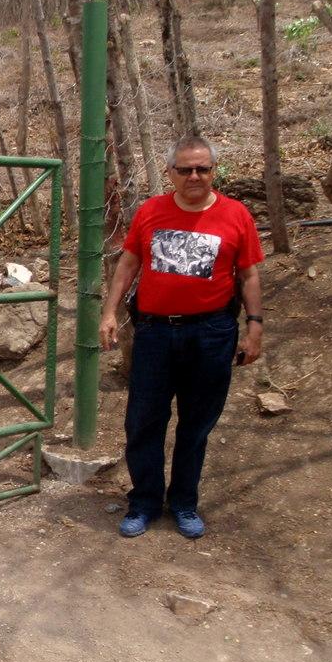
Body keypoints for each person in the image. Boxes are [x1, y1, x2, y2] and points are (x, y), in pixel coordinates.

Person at [99, 134, 264, 539]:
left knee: (196, 424)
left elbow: (249, 275)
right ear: (170, 172)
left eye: (203, 168)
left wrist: (255, 326)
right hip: (155, 332)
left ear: (213, 171)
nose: (194, 176)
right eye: (185, 169)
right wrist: (109, 311)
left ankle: (185, 503)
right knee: (143, 421)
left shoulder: (236, 215)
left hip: (212, 333)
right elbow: (129, 262)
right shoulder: (151, 212)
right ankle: (144, 502)